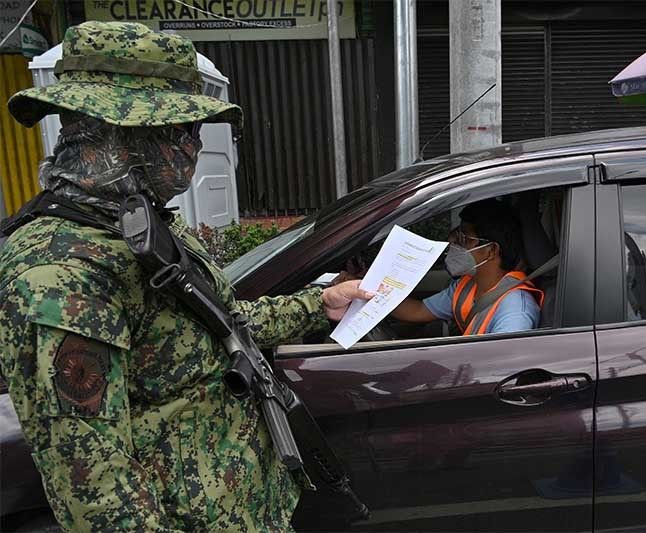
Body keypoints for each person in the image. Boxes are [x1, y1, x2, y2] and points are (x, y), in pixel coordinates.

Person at [0, 21, 371, 532]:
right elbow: (98, 496)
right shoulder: (62, 275)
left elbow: (218, 325)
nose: (195, 147)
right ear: (124, 131)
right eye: (184, 129)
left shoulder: (139, 224)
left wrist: (317, 303)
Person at [393, 199, 544, 335]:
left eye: (464, 238)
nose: (453, 241)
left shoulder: (515, 310)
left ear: (491, 250)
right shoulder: (467, 285)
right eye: (456, 234)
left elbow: (503, 361)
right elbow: (418, 311)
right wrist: (376, 296)